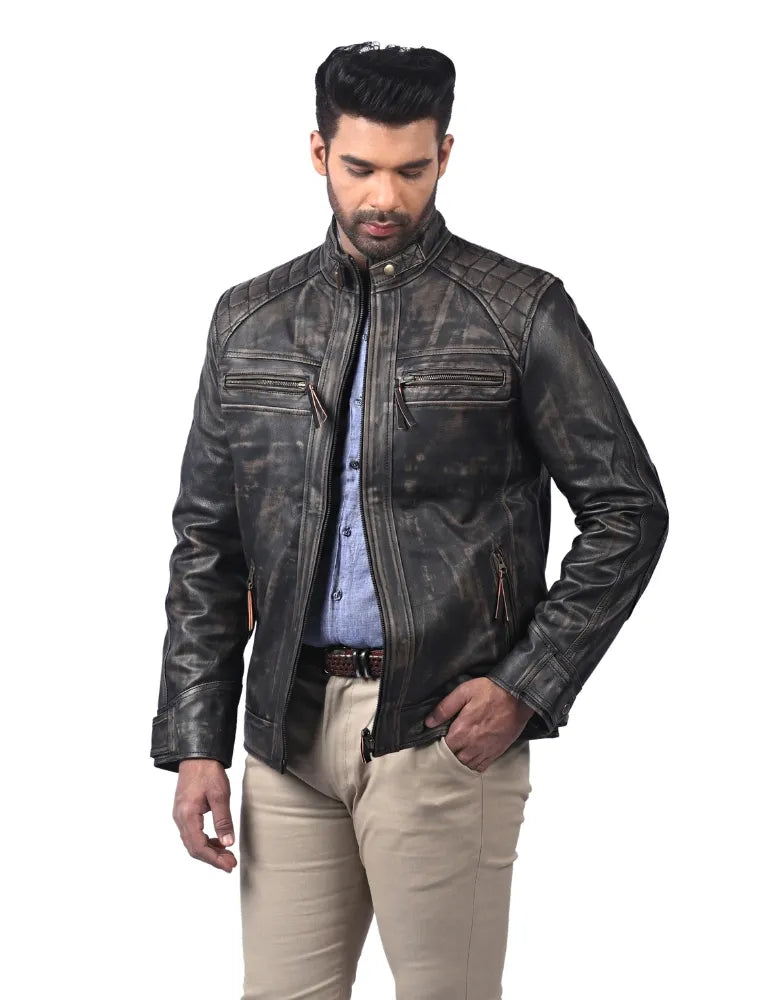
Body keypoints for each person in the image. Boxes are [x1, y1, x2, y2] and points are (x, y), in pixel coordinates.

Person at [149, 40, 668, 1000]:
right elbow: (207, 546)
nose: (384, 196)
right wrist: (196, 737)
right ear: (318, 152)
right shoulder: (250, 321)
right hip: (287, 730)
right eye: (359, 168)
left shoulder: (518, 312)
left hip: (440, 732)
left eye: (411, 169)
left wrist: (525, 684)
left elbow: (627, 510)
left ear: (445, 155)